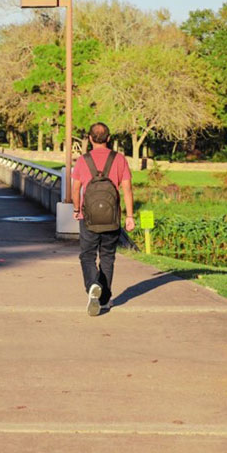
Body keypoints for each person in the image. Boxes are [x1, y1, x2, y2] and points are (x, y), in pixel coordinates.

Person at [71, 122, 135, 316]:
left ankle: (92, 285)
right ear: (108, 139)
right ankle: (105, 299)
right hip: (112, 218)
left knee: (87, 255)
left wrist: (76, 209)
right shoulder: (119, 159)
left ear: (90, 139)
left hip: (88, 217)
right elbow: (127, 189)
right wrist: (130, 216)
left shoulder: (83, 160)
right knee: (107, 257)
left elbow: (75, 189)